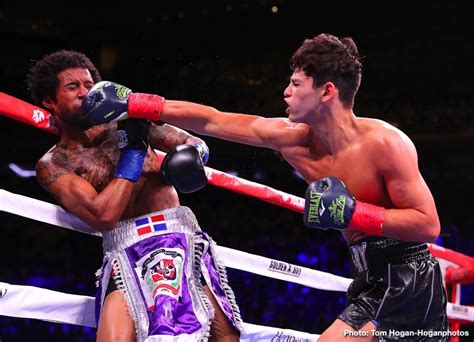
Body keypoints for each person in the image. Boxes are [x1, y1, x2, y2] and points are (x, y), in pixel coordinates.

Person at [81, 33, 449, 340]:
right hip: (369, 276)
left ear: (327, 92)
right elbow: (213, 120)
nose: (285, 91)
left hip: (409, 276)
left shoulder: (386, 143)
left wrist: (355, 212)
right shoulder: (291, 139)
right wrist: (138, 103)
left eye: (296, 83)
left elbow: (428, 225)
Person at [27, 50, 243, 342]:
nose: (84, 92)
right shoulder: (55, 164)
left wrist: (180, 164)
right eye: (72, 87)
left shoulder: (128, 120)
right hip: (123, 248)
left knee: (223, 336)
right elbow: (103, 215)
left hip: (173, 233)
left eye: (88, 84)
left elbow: (193, 143)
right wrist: (135, 150)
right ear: (49, 102)